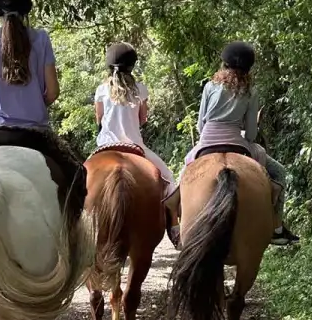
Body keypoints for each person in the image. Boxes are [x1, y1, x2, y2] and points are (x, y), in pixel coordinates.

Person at [189, 41, 298, 245]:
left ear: (225, 65)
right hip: (236, 142)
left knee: (186, 173)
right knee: (279, 172)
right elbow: (250, 133)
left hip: (207, 140)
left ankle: (179, 218)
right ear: (249, 68)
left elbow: (200, 125)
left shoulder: (210, 86)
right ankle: (276, 227)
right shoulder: (251, 92)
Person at [94, 42, 181, 248]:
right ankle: (175, 228)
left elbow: (99, 119)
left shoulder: (101, 89)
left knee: (80, 182)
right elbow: (143, 119)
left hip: (105, 146)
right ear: (132, 66)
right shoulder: (140, 89)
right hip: (135, 146)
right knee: (169, 179)